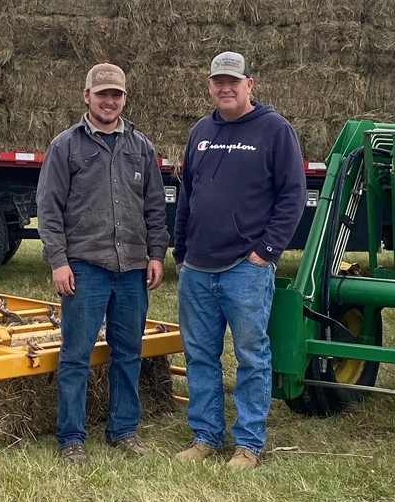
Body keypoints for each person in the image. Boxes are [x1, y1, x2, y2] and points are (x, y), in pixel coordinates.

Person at [172, 51, 305, 469]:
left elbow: (292, 196)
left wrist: (265, 253)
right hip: (197, 268)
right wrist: (180, 251)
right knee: (199, 354)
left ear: (250, 84)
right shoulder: (201, 131)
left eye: (234, 81)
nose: (225, 88)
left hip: (244, 269)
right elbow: (187, 196)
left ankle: (248, 443)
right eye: (218, 82)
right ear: (208, 86)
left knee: (251, 355)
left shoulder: (274, 130)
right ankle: (205, 436)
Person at [35, 62, 169, 463]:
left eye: (117, 94)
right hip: (85, 267)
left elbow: (154, 207)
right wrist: (58, 261)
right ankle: (71, 438)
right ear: (86, 96)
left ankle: (123, 429)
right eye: (102, 94)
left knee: (127, 352)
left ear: (125, 98)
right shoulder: (66, 146)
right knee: (76, 354)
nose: (109, 101)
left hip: (130, 268)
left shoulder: (140, 147)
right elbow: (49, 208)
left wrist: (157, 255)